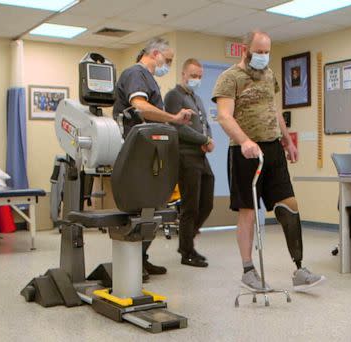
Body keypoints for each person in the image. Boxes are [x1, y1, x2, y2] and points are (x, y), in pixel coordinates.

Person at [212, 30, 325, 292]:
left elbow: (274, 110)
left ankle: (299, 269)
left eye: (267, 52)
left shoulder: (269, 75)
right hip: (245, 153)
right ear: (245, 50)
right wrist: (245, 141)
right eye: (259, 52)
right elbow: (225, 117)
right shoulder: (229, 78)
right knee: (248, 212)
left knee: (290, 204)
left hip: (273, 149)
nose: (263, 57)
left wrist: (287, 140)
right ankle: (248, 270)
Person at [113, 37, 194, 281]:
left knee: (153, 206)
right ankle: (131, 262)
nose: (167, 64)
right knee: (142, 206)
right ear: (155, 53)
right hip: (134, 149)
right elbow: (140, 107)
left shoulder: (150, 79)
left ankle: (141, 259)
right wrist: (173, 118)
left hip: (147, 149)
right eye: (167, 60)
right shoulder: (135, 73)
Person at [164, 58, 215, 268]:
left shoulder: (196, 98)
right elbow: (177, 125)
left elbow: (205, 124)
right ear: (183, 74)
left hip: (200, 155)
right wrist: (204, 140)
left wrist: (208, 138)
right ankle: (187, 251)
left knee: (206, 203)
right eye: (193, 75)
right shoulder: (173, 96)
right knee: (190, 205)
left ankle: (187, 241)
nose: (197, 79)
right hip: (185, 155)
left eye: (200, 76)